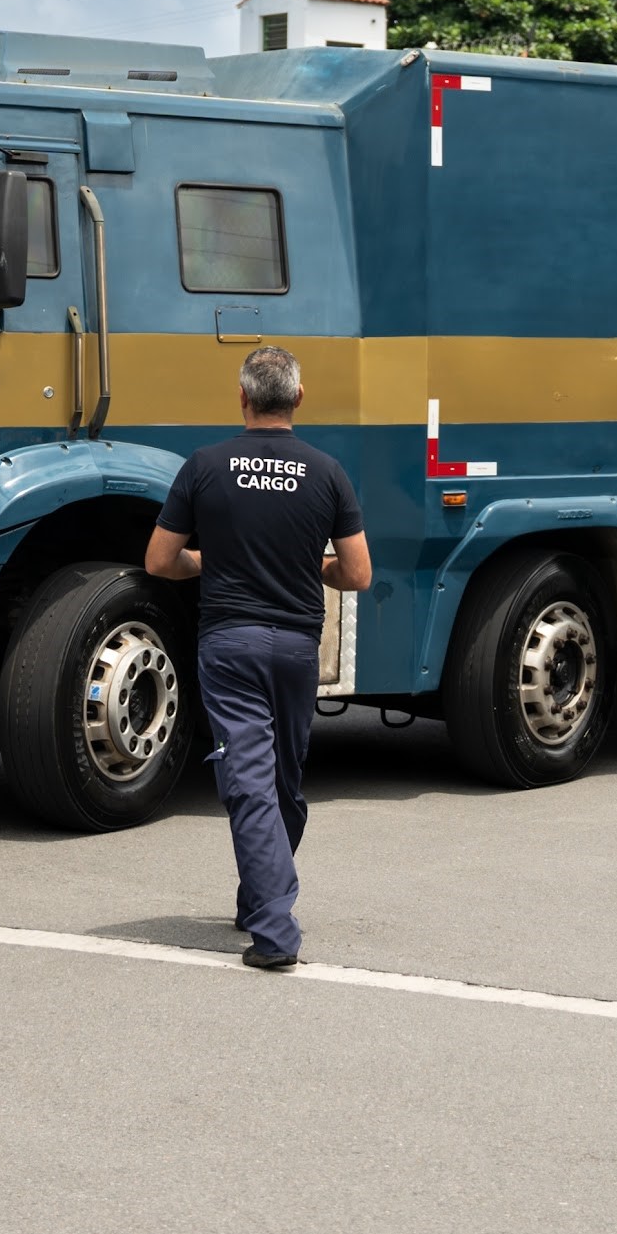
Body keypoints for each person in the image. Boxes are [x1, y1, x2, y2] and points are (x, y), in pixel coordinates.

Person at [146, 346, 371, 970]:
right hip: (296, 647)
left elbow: (160, 561)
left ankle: (274, 933)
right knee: (282, 782)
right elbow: (357, 573)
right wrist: (307, 564)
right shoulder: (327, 472)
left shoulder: (204, 467)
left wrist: (209, 561)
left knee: (249, 783)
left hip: (230, 645)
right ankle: (261, 898)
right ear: (299, 398)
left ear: (241, 397)